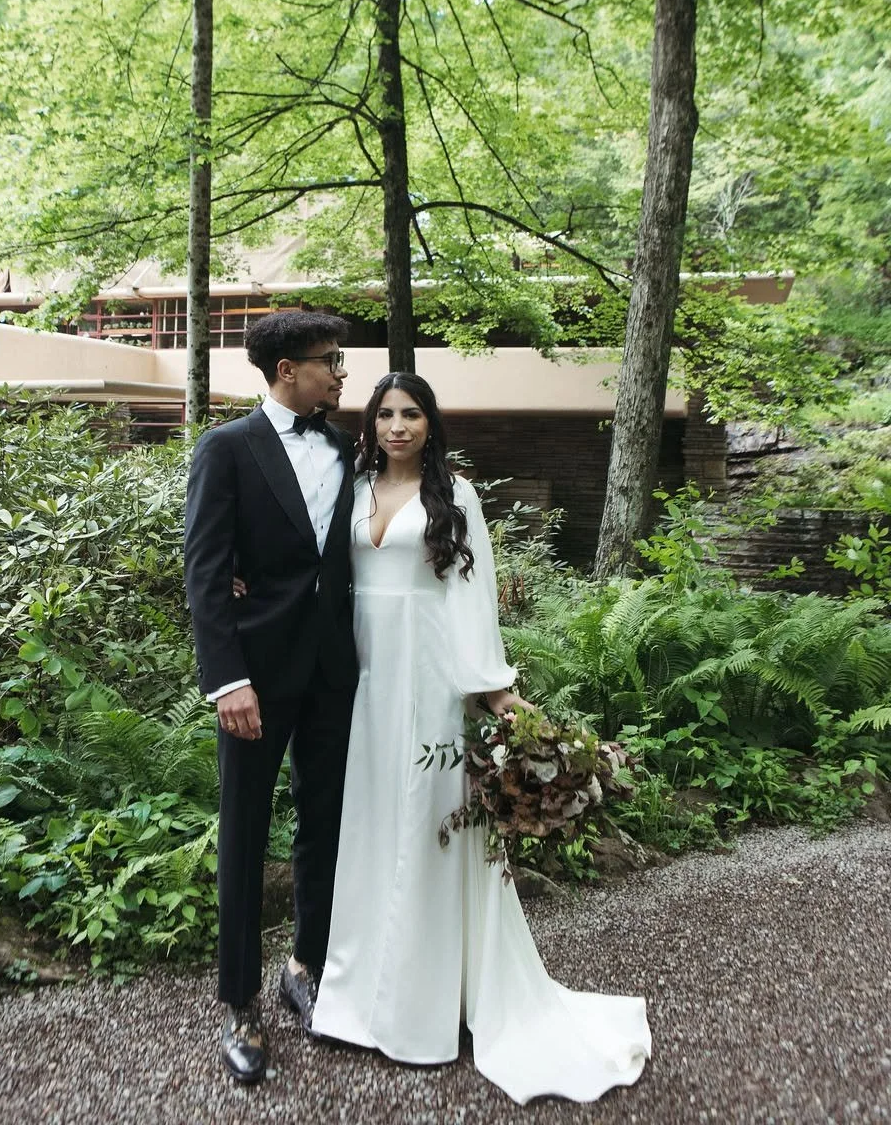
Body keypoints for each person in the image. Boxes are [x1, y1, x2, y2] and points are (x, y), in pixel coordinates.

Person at [308, 372, 652, 1105]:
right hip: (366, 685)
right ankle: (359, 997)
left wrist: (492, 688)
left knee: (428, 829)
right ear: (369, 425)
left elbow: (472, 594)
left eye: (412, 414)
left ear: (431, 424)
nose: (398, 426)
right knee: (370, 828)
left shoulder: (454, 495)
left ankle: (422, 1008)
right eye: (386, 415)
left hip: (431, 683)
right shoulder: (353, 487)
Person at [184, 310, 358, 1085]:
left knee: (326, 824)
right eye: (330, 362)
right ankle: (239, 1005)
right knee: (245, 833)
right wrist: (228, 679)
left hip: (336, 672)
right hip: (254, 677)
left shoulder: (347, 448)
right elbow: (205, 569)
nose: (340, 374)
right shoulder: (225, 450)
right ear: (288, 369)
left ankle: (305, 967)